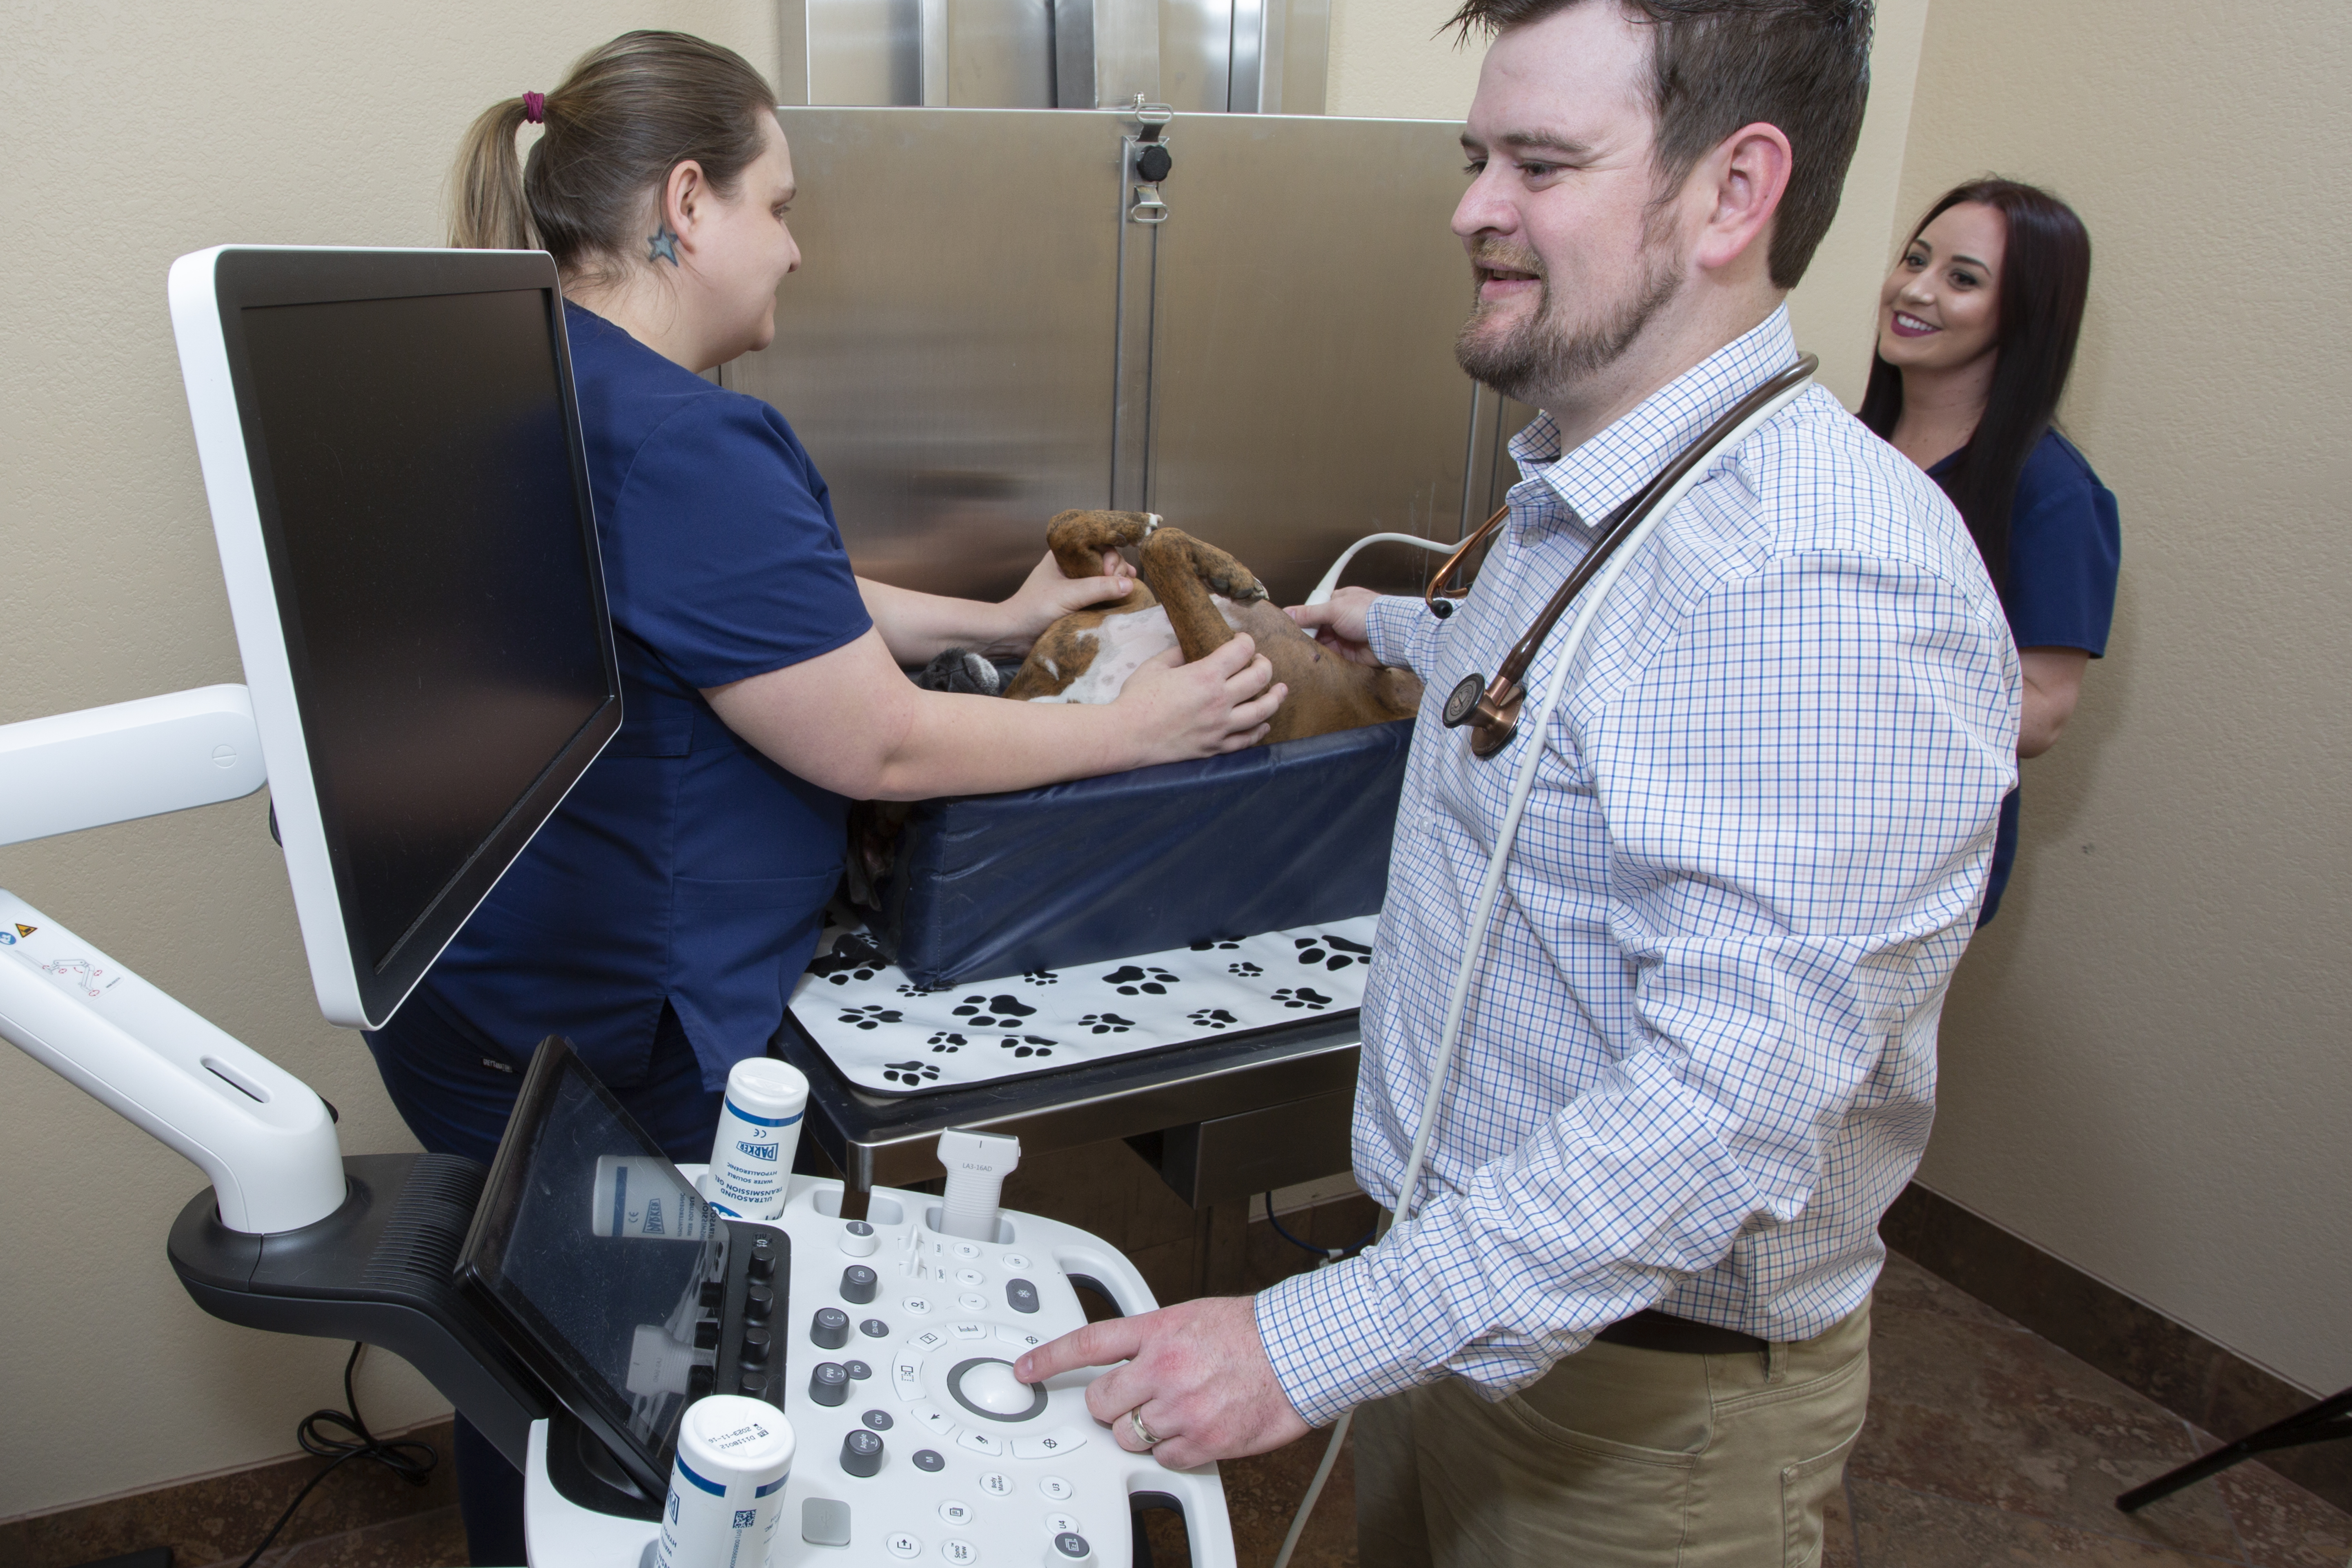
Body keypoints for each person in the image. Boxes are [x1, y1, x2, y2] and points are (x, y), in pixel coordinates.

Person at [1017, 2, 2017, 1563]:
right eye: (1480, 158)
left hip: (1641, 1419)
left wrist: (1307, 1341)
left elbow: (1723, 1112)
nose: (1475, 208)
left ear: (1734, 192)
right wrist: (1383, 620)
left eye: (1541, 165)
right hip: (1478, 1311)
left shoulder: (1824, 573)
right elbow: (1575, 684)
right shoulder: (1598, 487)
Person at [375, 31, 1283, 1561]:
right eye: (781, 205)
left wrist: (997, 622)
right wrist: (1148, 724)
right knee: (632, 1416)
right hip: (615, 1033)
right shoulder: (688, 438)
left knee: (521, 1382)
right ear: (687, 203)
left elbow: (765, 612)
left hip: (475, 996)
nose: (794, 247)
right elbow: (877, 745)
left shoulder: (536, 365)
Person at [1860, 178, 2118, 925]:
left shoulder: (2055, 494)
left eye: (1961, 279)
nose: (1916, 290)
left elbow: (2041, 715)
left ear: (2024, 314)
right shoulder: (1842, 447)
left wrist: (1864, 668)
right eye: (1915, 260)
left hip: (1911, 851)